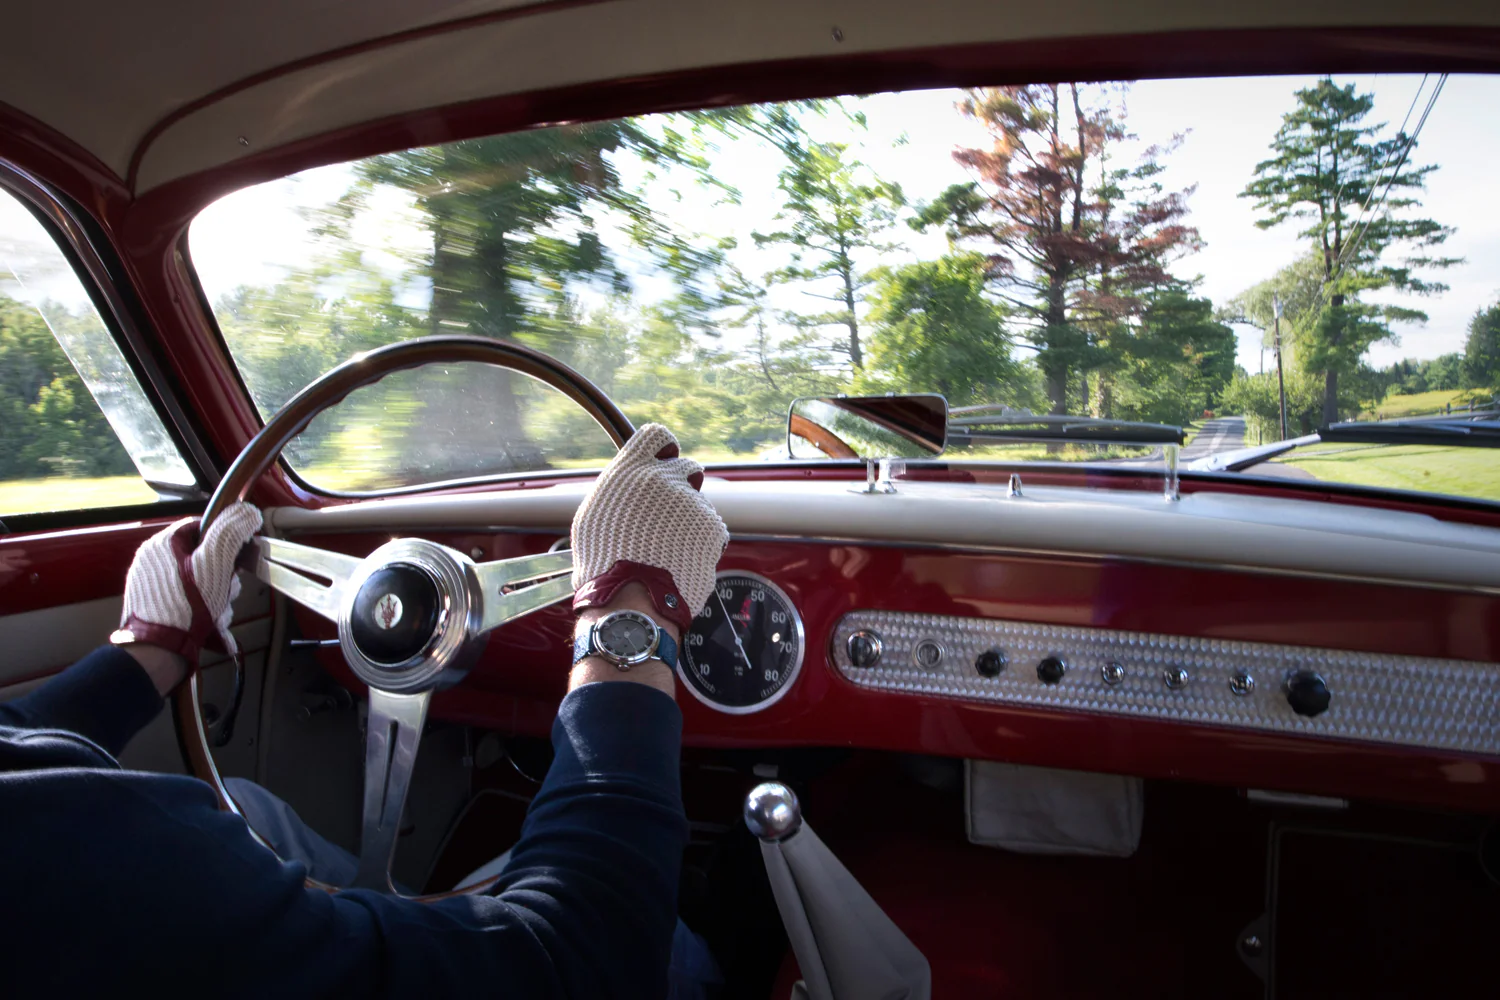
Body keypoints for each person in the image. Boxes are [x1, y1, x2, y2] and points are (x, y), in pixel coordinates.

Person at [0, 424, 728, 999]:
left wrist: (150, 647)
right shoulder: (95, 886)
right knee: (661, 939)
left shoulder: (58, 853)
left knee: (244, 806)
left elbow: (22, 758)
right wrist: (631, 606)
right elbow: (582, 956)